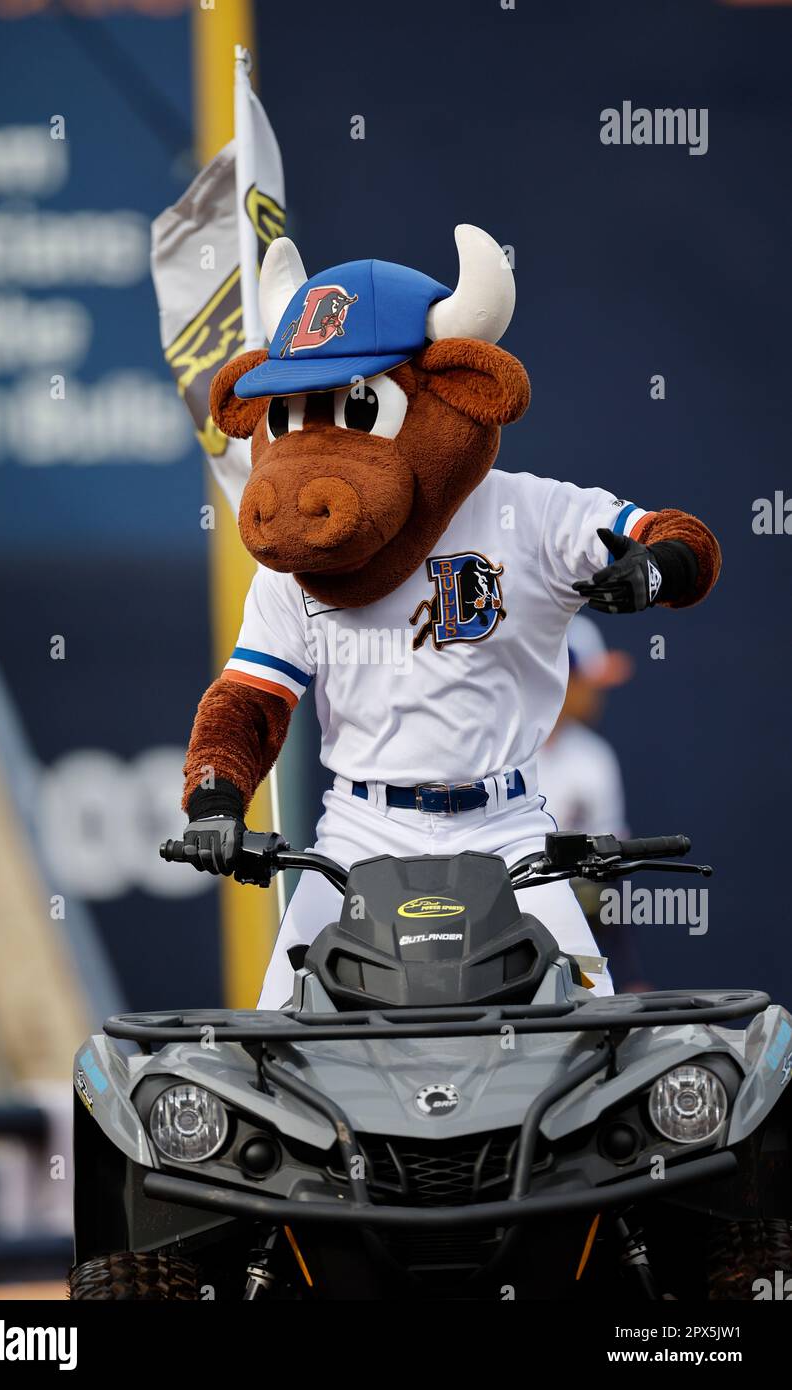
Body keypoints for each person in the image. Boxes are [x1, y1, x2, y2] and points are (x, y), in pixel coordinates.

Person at [178, 226, 722, 1006]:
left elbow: (679, 539)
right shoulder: (297, 563)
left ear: (455, 387)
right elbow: (250, 702)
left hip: (505, 836)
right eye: (299, 410)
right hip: (360, 836)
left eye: (356, 402)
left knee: (588, 1039)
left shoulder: (529, 513)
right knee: (277, 1042)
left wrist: (654, 570)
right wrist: (216, 797)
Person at [537, 614, 651, 991]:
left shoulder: (593, 759)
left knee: (592, 1002)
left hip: (570, 936)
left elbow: (606, 884)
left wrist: (629, 974)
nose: (597, 691)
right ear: (560, 677)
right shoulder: (497, 754)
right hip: (494, 925)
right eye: (588, 680)